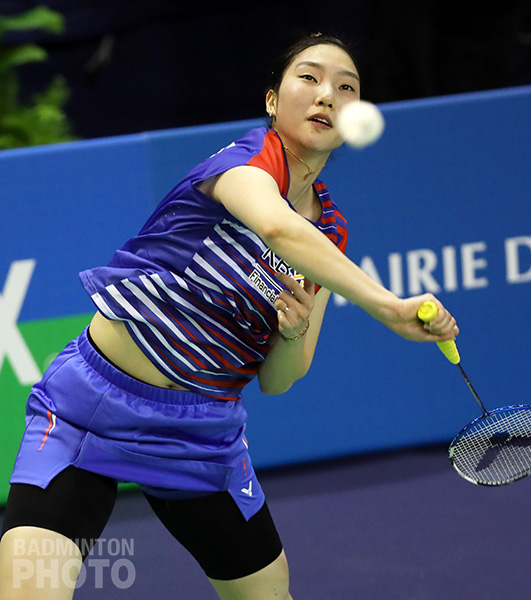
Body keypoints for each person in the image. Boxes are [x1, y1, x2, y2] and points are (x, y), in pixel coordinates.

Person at [0, 33, 458, 600]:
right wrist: (387, 305)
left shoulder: (330, 233)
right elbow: (277, 226)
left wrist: (291, 331)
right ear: (272, 100)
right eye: (309, 77)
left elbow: (279, 379)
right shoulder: (245, 161)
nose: (326, 95)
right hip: (88, 410)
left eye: (346, 88)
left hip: (200, 436)